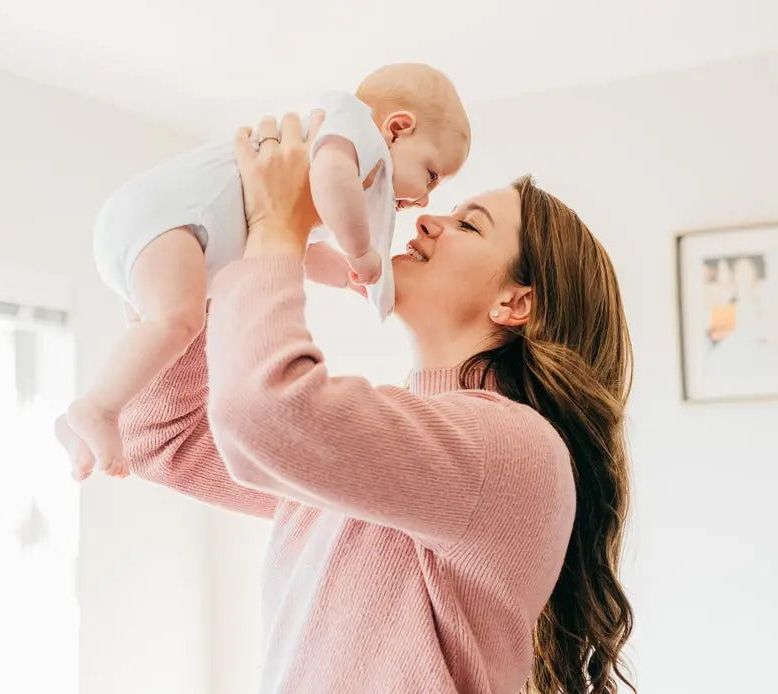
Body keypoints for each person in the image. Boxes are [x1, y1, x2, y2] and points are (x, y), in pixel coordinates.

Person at [114, 111, 635, 694]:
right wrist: (205, 260)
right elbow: (162, 435)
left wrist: (275, 231)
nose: (425, 223)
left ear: (515, 303)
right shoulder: (387, 454)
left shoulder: (514, 450)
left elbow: (266, 412)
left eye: (469, 225)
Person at [55, 64, 471, 478]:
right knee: (178, 321)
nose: (424, 201)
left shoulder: (331, 165)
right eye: (431, 175)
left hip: (159, 229)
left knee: (152, 344)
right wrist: (361, 251)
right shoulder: (354, 133)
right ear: (397, 129)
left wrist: (345, 274)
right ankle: (98, 409)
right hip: (170, 219)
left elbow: (294, 249)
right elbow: (331, 178)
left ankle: (83, 418)